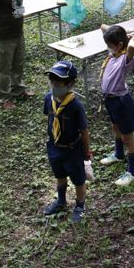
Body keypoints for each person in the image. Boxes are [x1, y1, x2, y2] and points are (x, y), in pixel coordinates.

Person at [42, 60, 92, 223]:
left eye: (58, 83)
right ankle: (61, 201)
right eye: (52, 82)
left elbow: (84, 130)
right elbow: (49, 118)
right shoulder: (49, 98)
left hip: (72, 149)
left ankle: (80, 205)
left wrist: (86, 151)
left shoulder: (76, 105)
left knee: (78, 179)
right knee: (60, 175)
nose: (54, 85)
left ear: (70, 84)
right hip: (55, 146)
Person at [98, 24, 134, 187]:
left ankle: (132, 172)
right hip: (110, 100)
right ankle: (118, 154)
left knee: (127, 138)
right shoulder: (114, 53)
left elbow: (131, 46)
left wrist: (133, 38)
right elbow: (103, 27)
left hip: (122, 102)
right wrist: (123, 35)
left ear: (120, 45)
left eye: (110, 45)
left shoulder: (127, 59)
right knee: (115, 128)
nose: (108, 48)